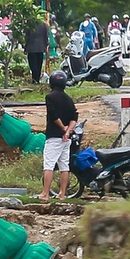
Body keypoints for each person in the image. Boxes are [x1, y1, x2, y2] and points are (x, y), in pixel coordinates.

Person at [42, 69, 80, 199]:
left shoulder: (50, 97)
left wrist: (63, 128)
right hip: (66, 139)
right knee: (64, 166)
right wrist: (68, 131)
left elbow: (53, 115)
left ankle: (45, 193)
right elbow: (74, 116)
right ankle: (62, 194)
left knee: (49, 165)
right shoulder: (68, 99)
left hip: (54, 136)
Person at [25, 14, 51, 84]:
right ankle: (37, 80)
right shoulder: (44, 25)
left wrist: (25, 47)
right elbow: (46, 37)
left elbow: (27, 36)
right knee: (39, 64)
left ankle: (34, 80)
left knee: (33, 65)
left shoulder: (30, 24)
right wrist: (45, 46)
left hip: (31, 48)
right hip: (41, 48)